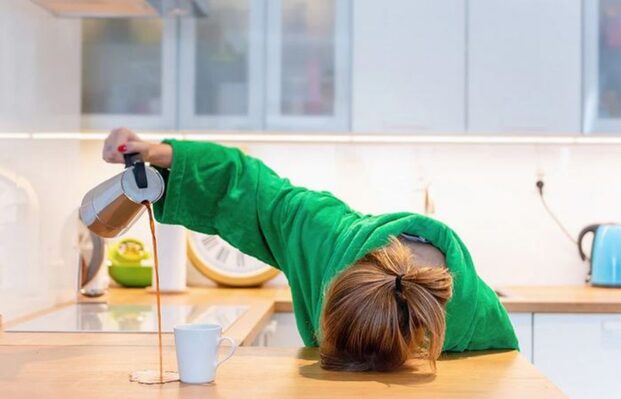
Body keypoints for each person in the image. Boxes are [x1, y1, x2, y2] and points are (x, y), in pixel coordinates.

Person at [102, 127, 518, 372]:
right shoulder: (321, 235)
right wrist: (158, 153)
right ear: (331, 283)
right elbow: (247, 186)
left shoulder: (474, 315)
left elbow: (499, 376)